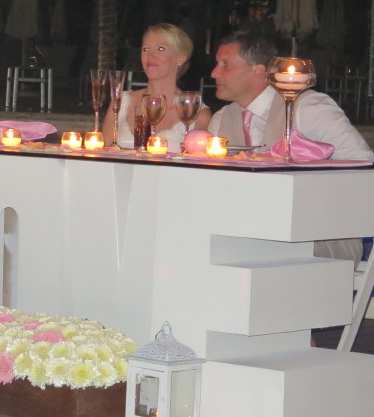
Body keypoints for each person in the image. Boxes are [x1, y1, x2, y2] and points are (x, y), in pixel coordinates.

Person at [209, 29, 374, 261]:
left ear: (258, 71)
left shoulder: (309, 108)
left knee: (246, 250)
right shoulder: (221, 120)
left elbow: (364, 165)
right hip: (246, 232)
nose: (214, 72)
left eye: (225, 65)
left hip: (322, 236)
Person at [107, 23, 211, 149]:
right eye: (145, 49)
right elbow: (102, 151)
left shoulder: (197, 114)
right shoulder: (121, 101)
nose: (150, 55)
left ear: (180, 58)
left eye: (161, 49)